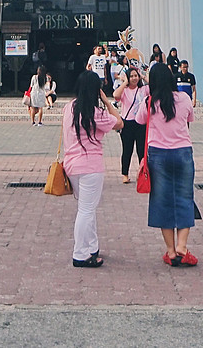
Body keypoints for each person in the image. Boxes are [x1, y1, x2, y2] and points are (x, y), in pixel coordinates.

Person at [135, 62, 197, 267]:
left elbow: (139, 121)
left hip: (158, 155)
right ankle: (182, 246)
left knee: (162, 201)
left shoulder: (149, 102)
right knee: (184, 198)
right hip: (183, 153)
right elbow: (190, 118)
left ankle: (171, 252)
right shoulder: (185, 98)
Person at [62, 70, 123, 267]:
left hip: (71, 165)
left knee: (87, 208)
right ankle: (80, 253)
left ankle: (91, 246)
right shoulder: (97, 113)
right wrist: (107, 102)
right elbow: (120, 123)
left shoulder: (69, 107)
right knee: (86, 210)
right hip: (90, 166)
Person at [113, 65, 148, 184]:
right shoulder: (125, 90)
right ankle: (125, 174)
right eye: (131, 76)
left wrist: (143, 75)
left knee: (141, 150)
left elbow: (155, 85)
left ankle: (142, 172)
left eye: (136, 76)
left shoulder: (143, 90)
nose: (134, 78)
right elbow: (115, 96)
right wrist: (125, 82)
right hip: (127, 123)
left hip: (141, 122)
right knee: (127, 150)